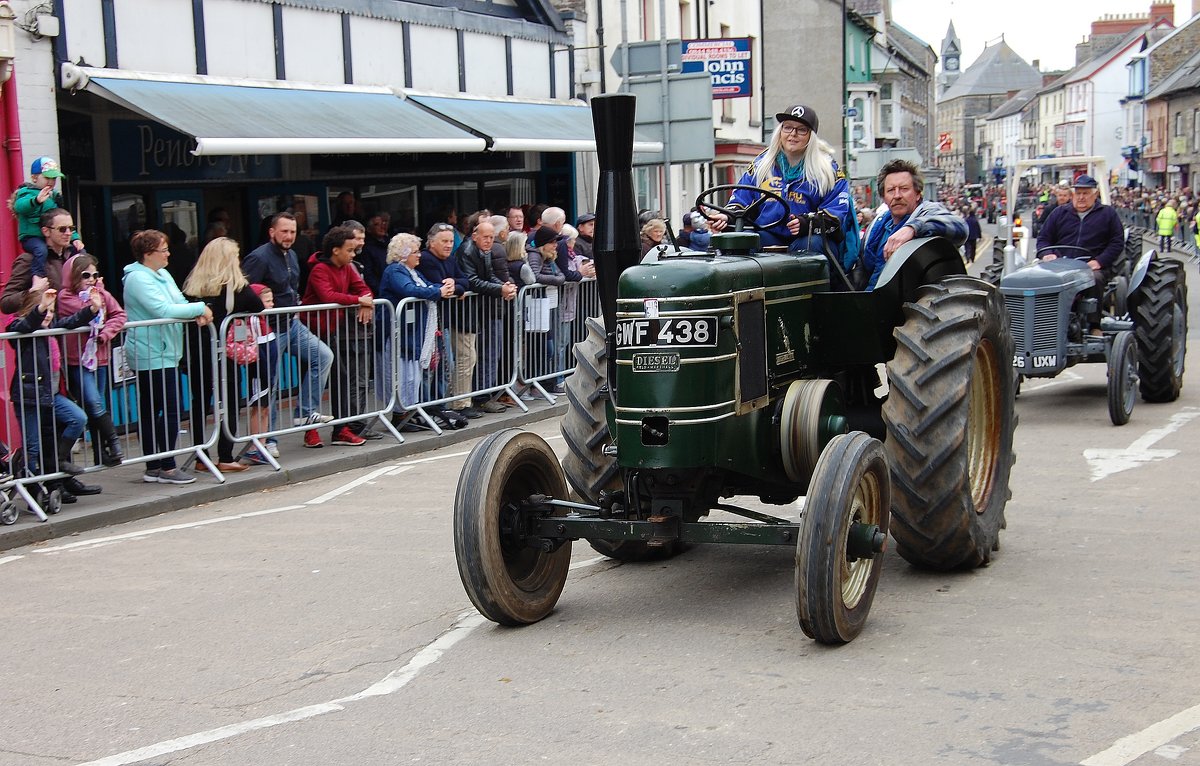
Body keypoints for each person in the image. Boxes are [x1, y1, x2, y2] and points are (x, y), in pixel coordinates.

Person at [122, 229, 213, 485]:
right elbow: (162, 309)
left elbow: (179, 301)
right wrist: (199, 308)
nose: (168, 254)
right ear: (148, 253)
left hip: (165, 349)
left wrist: (191, 310)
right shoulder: (138, 279)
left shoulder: (161, 274)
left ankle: (156, 465)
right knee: (165, 409)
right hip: (150, 352)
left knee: (157, 409)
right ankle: (166, 466)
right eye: (163, 250)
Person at [710, 104, 855, 257]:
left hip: (808, 238)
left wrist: (806, 223)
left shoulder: (827, 170)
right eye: (787, 128)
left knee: (811, 246)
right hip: (769, 234)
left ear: (811, 136)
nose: (793, 134)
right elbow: (741, 199)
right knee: (744, 243)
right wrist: (726, 216)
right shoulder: (762, 165)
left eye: (801, 130)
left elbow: (836, 213)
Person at [7, 286, 102, 505]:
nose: (49, 315)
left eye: (51, 310)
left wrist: (93, 308)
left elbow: (72, 321)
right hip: (28, 396)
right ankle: (32, 490)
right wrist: (40, 308)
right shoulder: (18, 328)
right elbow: (26, 324)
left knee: (78, 418)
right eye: (45, 310)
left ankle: (58, 461)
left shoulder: (51, 327)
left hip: (51, 395)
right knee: (32, 446)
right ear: (31, 309)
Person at [242, 212, 335, 434]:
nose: (289, 236)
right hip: (269, 328)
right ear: (271, 232)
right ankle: (270, 439)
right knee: (270, 384)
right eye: (284, 231)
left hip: (291, 324)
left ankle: (304, 412)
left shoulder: (291, 254)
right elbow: (245, 292)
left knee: (323, 356)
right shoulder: (259, 257)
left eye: (293, 232)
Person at [181, 237, 266, 474]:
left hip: (196, 353)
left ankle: (201, 455)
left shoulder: (193, 286)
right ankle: (225, 455)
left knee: (200, 403)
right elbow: (257, 306)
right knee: (228, 400)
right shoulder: (236, 287)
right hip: (223, 354)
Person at [302, 226, 375, 447]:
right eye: (350, 250)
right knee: (316, 382)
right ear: (336, 250)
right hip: (313, 331)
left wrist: (366, 302)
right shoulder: (319, 270)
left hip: (332, 330)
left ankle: (340, 429)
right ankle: (310, 430)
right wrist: (358, 301)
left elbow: (364, 289)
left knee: (341, 380)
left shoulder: (348, 266)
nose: (353, 255)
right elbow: (328, 296)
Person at [379, 232, 458, 429]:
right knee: (401, 374)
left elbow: (426, 285)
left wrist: (443, 286)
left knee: (412, 375)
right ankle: (400, 416)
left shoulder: (412, 271)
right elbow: (409, 290)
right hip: (397, 331)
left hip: (412, 331)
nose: (419, 255)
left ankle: (408, 412)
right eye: (415, 252)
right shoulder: (395, 271)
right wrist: (438, 292)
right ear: (403, 254)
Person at [57, 253, 126, 472]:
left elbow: (119, 315)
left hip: (101, 357)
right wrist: (97, 301)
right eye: (86, 275)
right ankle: (114, 444)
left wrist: (106, 333)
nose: (91, 279)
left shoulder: (101, 294)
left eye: (95, 275)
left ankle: (101, 452)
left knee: (97, 405)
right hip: (78, 360)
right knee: (93, 403)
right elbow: (82, 312)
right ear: (74, 275)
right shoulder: (65, 296)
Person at [1035, 175, 1124, 335]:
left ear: (1095, 195)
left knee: (1095, 278)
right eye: (1078, 193)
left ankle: (1094, 326)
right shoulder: (1059, 213)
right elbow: (1043, 239)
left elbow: (1116, 243)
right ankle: (1043, 326)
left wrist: (1099, 261)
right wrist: (1047, 254)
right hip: (1060, 265)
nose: (1081, 197)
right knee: (1038, 279)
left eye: (1085, 193)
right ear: (1073, 194)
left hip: (1090, 265)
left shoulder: (1107, 214)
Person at [860, 159, 968, 290]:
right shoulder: (876, 227)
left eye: (904, 189)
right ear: (884, 197)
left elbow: (960, 227)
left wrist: (913, 228)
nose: (897, 195)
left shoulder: (928, 211)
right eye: (891, 190)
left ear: (917, 194)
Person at [457, 218, 516, 414]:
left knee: (490, 353)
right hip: (472, 311)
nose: (489, 241)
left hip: (484, 308)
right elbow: (472, 280)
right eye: (485, 237)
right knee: (475, 356)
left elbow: (489, 275)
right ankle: (480, 397)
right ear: (475, 236)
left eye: (491, 237)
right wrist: (500, 289)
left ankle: (485, 394)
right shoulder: (467, 251)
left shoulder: (485, 251)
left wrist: (504, 286)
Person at [9, 157, 84, 278]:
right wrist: (36, 200)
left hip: (51, 236)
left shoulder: (53, 196)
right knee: (41, 251)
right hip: (32, 237)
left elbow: (62, 218)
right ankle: (38, 276)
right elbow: (20, 207)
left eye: (54, 178)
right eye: (47, 178)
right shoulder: (26, 192)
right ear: (34, 178)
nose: (51, 182)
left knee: (77, 250)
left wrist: (75, 237)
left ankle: (77, 277)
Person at [2, 208, 77, 314]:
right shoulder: (28, 260)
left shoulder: (73, 257)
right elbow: (5, 304)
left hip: (70, 325)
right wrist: (32, 291)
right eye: (62, 229)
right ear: (46, 231)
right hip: (43, 325)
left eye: (71, 228)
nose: (68, 233)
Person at [238, 284, 282, 466]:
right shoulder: (249, 320)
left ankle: (261, 445)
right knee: (259, 405)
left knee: (265, 407)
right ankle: (254, 447)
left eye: (272, 301)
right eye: (267, 301)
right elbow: (242, 343)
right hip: (258, 364)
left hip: (267, 362)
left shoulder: (265, 322)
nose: (271, 305)